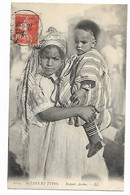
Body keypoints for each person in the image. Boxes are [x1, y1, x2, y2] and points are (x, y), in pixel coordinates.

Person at [16, 27, 108, 181]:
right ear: (39, 57)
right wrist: (79, 110)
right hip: (50, 139)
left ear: (62, 60)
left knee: (78, 171)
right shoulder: (36, 82)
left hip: (74, 136)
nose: (50, 63)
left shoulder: (66, 79)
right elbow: (46, 113)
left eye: (55, 59)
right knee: (55, 171)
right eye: (46, 58)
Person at [58, 20, 111, 158]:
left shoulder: (91, 57)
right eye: (76, 41)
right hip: (86, 94)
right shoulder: (83, 55)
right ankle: (95, 140)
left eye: (83, 42)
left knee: (84, 114)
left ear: (93, 43)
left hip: (88, 93)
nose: (79, 45)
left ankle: (95, 140)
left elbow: (90, 75)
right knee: (87, 118)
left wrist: (82, 90)